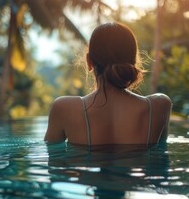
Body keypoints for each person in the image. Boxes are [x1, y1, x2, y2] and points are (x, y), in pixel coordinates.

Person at [44, 22, 172, 146]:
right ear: (134, 62)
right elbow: (160, 157)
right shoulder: (159, 106)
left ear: (89, 62)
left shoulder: (64, 108)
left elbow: (55, 161)